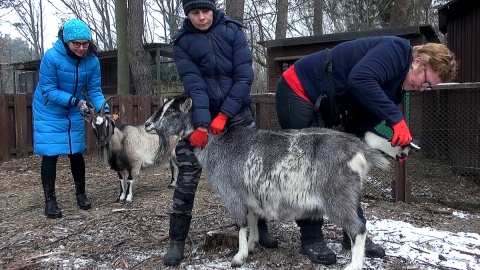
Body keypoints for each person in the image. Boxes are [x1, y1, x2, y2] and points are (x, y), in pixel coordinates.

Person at [274, 36, 457, 264]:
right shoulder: (397, 51)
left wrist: (390, 144)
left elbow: (363, 122)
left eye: (428, 88)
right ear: (418, 61)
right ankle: (311, 238)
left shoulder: (394, 89)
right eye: (426, 82)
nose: (422, 89)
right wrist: (397, 119)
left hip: (327, 106)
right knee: (310, 168)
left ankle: (353, 233)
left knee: (349, 168)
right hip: (299, 90)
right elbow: (360, 79)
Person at [163, 0, 278, 266]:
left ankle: (261, 230)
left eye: (206, 11)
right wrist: (203, 124)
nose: (201, 17)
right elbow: (195, 85)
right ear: (187, 14)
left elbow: (244, 77)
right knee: (188, 177)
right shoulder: (182, 43)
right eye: (195, 12)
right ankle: (176, 241)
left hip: (237, 115)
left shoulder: (232, 32)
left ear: (213, 11)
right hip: (199, 119)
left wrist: (225, 114)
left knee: (254, 173)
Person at [32, 18, 109, 219]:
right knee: (50, 154)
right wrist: (75, 101)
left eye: (85, 44)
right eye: (77, 44)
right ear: (66, 41)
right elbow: (48, 90)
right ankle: (50, 201)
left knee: (76, 151)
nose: (82, 48)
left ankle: (81, 194)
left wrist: (104, 110)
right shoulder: (51, 58)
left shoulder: (92, 61)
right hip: (49, 109)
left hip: (75, 105)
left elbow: (94, 90)